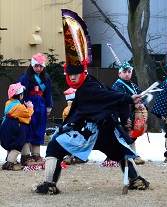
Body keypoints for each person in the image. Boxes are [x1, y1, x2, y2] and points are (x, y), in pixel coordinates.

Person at [32, 62, 150, 194]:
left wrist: (127, 101)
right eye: (70, 74)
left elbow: (110, 96)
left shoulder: (88, 87)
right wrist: (126, 108)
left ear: (83, 73)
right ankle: (136, 179)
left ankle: (49, 185)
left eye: (76, 74)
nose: (72, 78)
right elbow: (113, 96)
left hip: (86, 132)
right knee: (121, 153)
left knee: (54, 148)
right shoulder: (92, 82)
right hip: (104, 130)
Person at [109, 61, 148, 165]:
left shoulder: (133, 86)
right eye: (124, 71)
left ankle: (132, 153)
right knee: (125, 133)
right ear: (119, 73)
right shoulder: (117, 85)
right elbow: (119, 101)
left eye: (129, 71)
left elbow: (142, 97)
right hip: (122, 115)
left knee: (132, 134)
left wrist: (142, 104)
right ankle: (123, 154)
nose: (127, 74)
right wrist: (132, 104)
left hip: (133, 114)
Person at [18, 53, 53, 166]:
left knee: (39, 129)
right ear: (32, 66)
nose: (38, 69)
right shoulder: (25, 78)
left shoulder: (46, 77)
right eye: (36, 66)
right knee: (28, 129)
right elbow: (21, 93)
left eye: (41, 66)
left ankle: (36, 154)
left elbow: (48, 93)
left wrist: (48, 106)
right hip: (29, 105)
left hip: (41, 105)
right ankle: (25, 155)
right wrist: (22, 106)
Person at [0, 83, 34, 170]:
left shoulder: (8, 103)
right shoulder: (19, 107)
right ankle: (10, 163)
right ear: (20, 95)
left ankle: (12, 161)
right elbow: (27, 113)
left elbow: (16, 112)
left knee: (10, 145)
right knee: (16, 146)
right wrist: (30, 107)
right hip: (15, 127)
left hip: (6, 126)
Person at [61, 87, 86, 165]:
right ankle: (78, 157)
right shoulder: (78, 108)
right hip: (77, 129)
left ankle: (68, 156)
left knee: (69, 143)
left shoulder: (66, 109)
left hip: (68, 129)